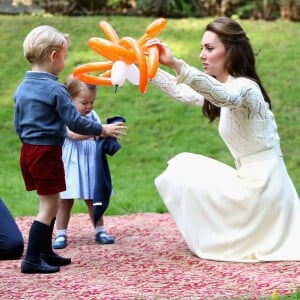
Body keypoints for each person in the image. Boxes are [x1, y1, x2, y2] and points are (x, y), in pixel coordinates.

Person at [147, 17, 300, 262]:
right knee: (180, 166)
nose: (202, 55)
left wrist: (177, 63)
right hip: (251, 182)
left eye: (209, 48)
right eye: (201, 49)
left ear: (231, 51)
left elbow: (226, 97)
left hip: (265, 188)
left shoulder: (245, 88)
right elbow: (182, 92)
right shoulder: (224, 86)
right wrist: (144, 67)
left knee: (183, 167)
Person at [14, 25, 127, 274]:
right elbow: (74, 122)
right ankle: (32, 259)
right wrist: (102, 129)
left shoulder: (22, 87)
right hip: (47, 152)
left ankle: (45, 252)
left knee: (51, 203)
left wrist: (30, 142)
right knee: (47, 207)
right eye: (64, 56)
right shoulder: (56, 89)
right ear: (54, 56)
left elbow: (18, 125)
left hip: (29, 151)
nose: (64, 61)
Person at [53, 75, 116, 249]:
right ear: (69, 99)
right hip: (71, 162)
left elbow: (98, 133)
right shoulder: (64, 115)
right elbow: (73, 135)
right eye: (84, 103)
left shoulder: (92, 115)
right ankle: (61, 234)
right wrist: (100, 131)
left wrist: (105, 138)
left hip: (89, 160)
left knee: (93, 197)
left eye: (92, 102)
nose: (89, 107)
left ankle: (100, 230)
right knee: (65, 199)